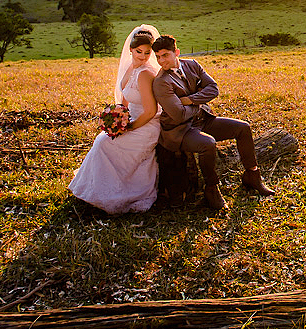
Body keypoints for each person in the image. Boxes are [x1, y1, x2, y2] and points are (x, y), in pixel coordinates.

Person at [151, 34, 274, 211]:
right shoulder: (161, 82)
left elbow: (213, 89)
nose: (161, 61)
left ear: (176, 52)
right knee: (208, 143)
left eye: (165, 55)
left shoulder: (192, 64)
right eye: (158, 57)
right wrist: (199, 102)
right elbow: (178, 115)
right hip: (180, 130)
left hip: (203, 120)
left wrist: (191, 100)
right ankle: (211, 189)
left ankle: (252, 175)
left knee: (243, 128)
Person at [68, 24, 162, 213]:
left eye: (147, 52)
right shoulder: (132, 69)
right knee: (103, 139)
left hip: (147, 125)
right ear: (130, 50)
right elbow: (125, 100)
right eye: (138, 52)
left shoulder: (145, 74)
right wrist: (117, 120)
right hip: (133, 120)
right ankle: (98, 188)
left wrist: (130, 126)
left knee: (104, 143)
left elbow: (151, 111)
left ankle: (122, 192)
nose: (142, 57)